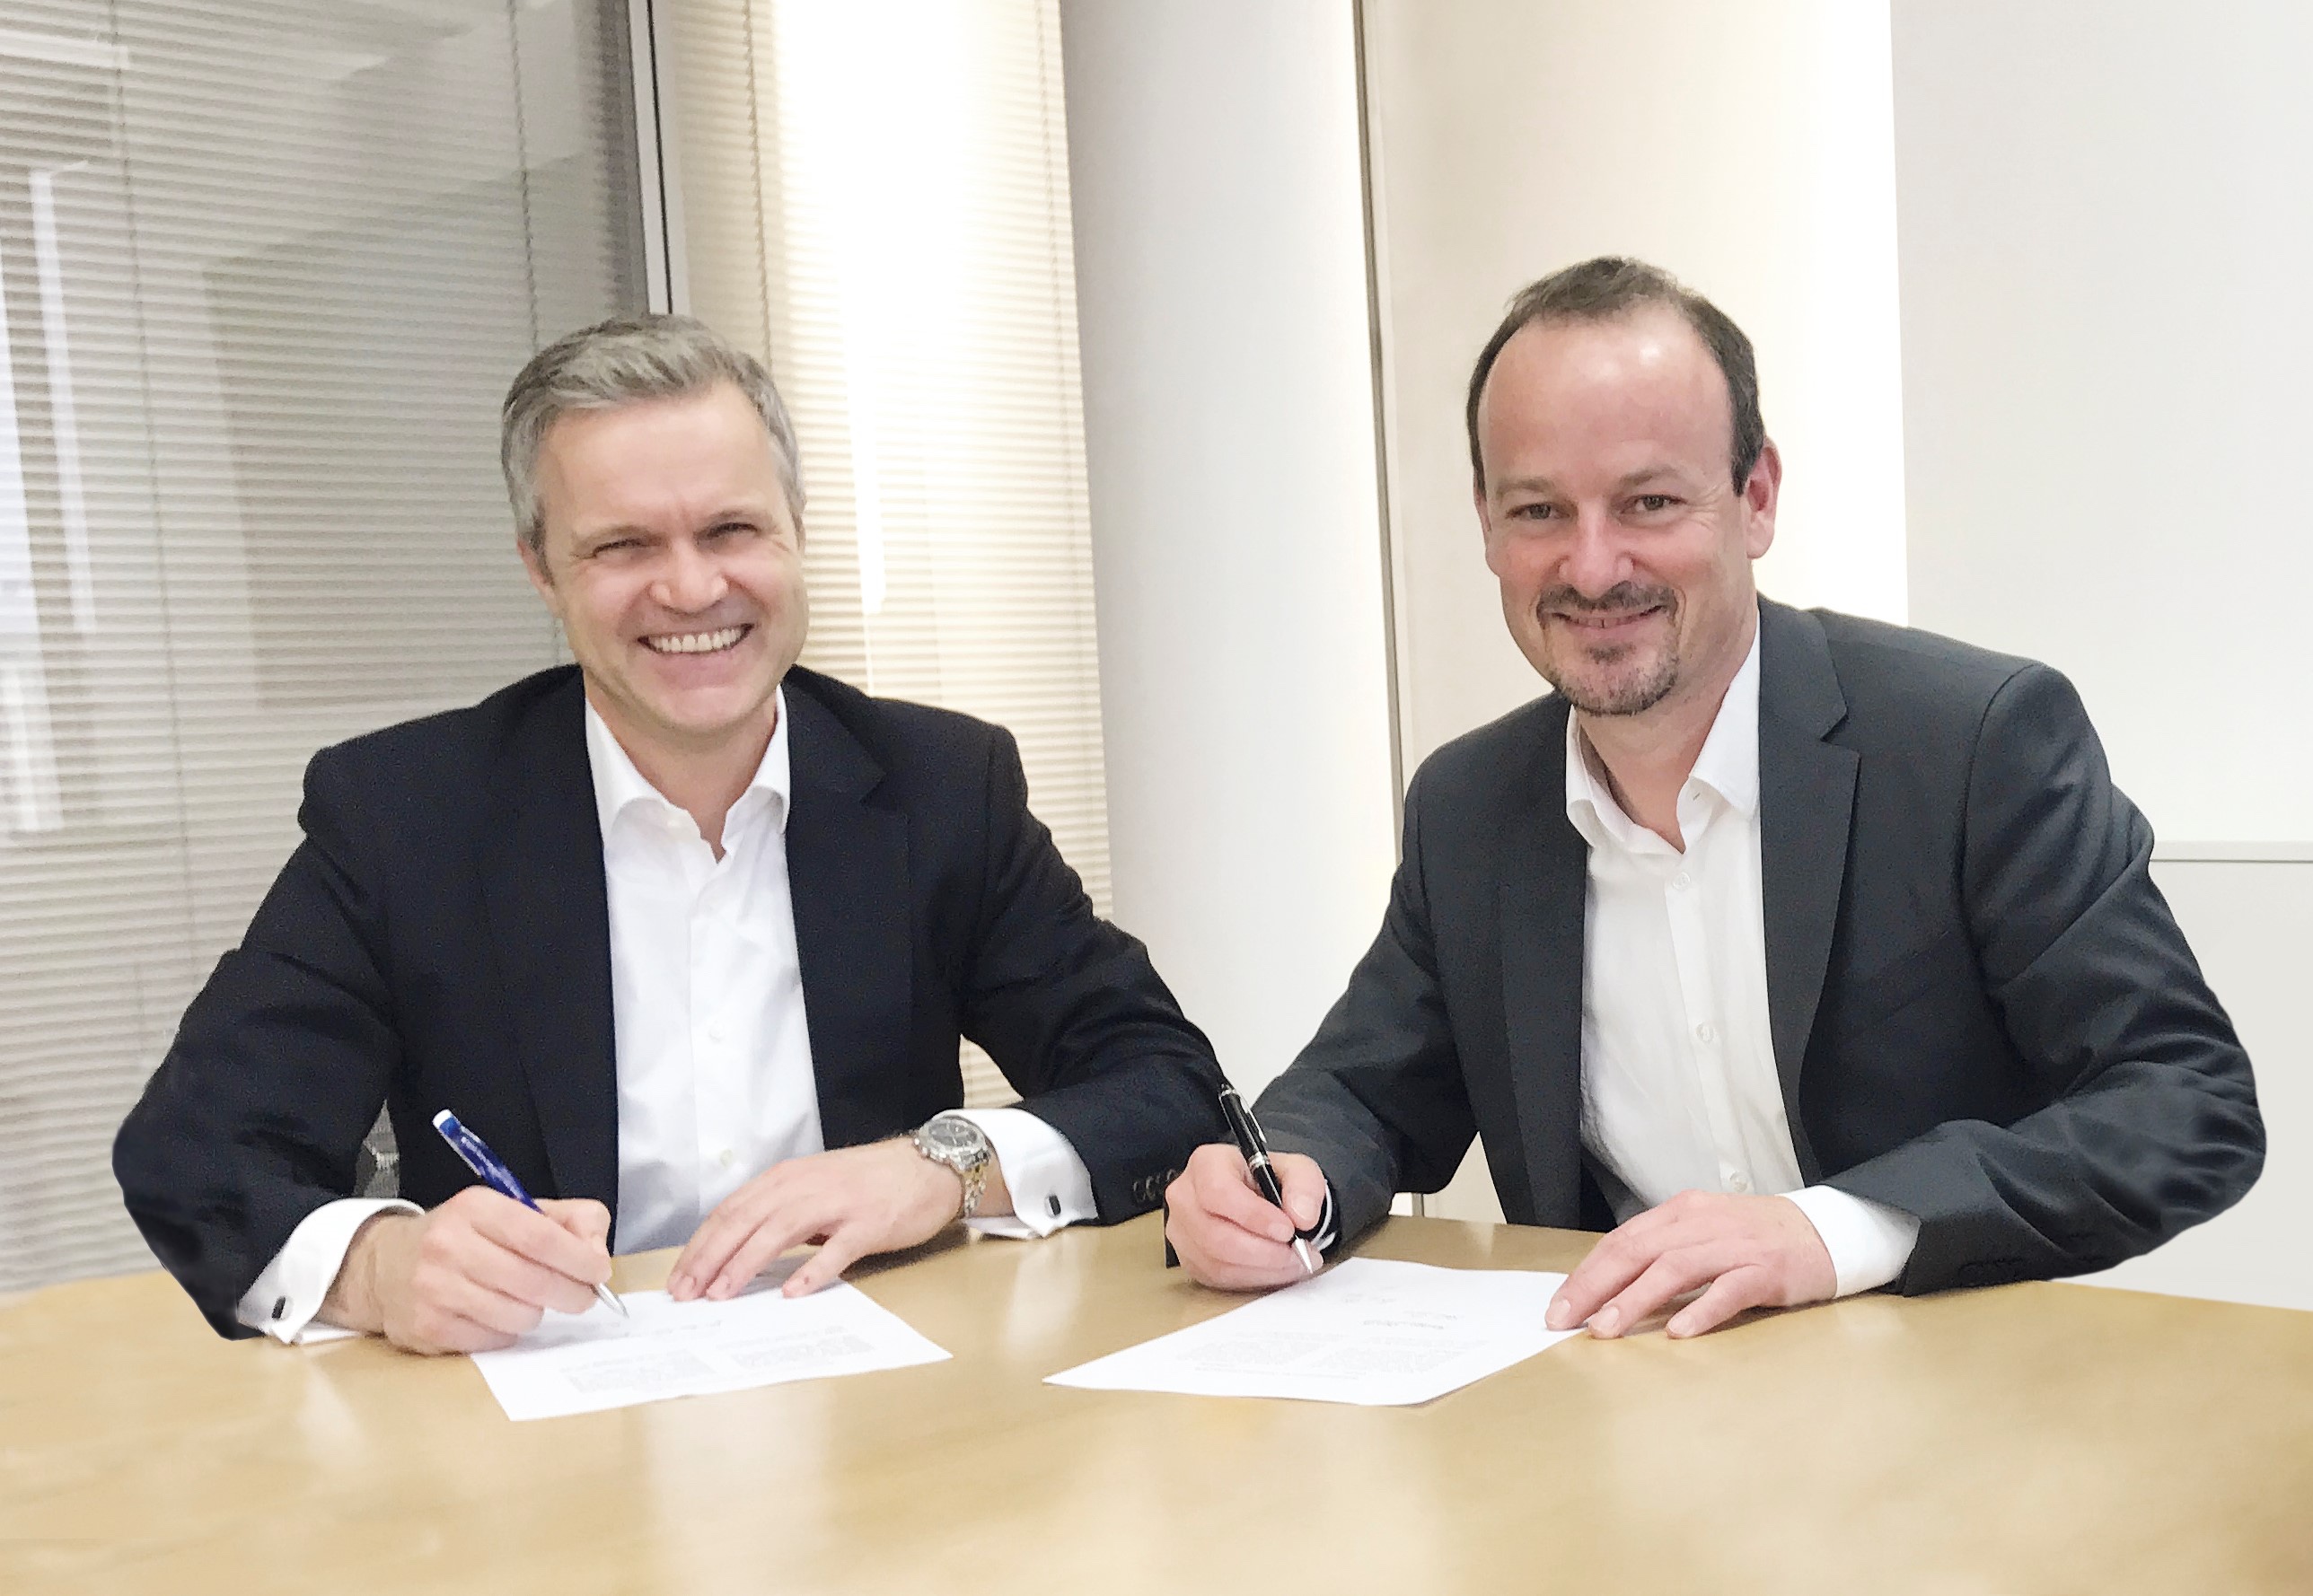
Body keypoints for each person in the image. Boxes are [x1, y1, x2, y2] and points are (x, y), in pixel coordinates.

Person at [1163, 257, 2263, 1337]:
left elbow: (2183, 1100)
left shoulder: (1970, 742)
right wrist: (1277, 1180)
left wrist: (1832, 1230)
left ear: (1755, 498)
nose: (1592, 567)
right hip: (1632, 1400)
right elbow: (1363, 1090)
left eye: (1647, 501)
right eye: (1539, 510)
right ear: (1485, 524)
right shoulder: (1469, 806)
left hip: (1953, 1386)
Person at [115, 314, 1226, 1353]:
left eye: (731, 528)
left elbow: (1163, 1079)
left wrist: (945, 1163)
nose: (692, 587)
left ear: (796, 531)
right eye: (623, 545)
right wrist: (378, 1266)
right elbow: (195, 1148)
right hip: (542, 1416)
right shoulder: (407, 816)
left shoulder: (940, 786)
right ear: (541, 569)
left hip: (878, 1397)